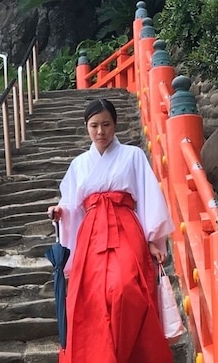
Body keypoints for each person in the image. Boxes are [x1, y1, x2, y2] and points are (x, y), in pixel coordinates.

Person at [47, 98, 174, 363]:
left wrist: (153, 239)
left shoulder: (133, 155)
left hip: (125, 227)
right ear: (86, 127)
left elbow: (147, 195)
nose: (100, 131)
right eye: (94, 125)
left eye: (106, 124)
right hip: (91, 234)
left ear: (115, 124)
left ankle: (130, 354)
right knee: (89, 297)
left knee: (127, 288)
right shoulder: (79, 164)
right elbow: (71, 203)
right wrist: (60, 212)